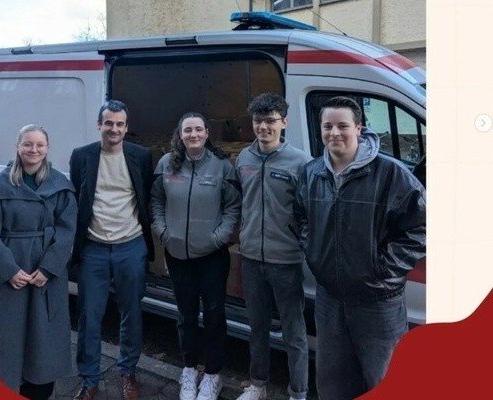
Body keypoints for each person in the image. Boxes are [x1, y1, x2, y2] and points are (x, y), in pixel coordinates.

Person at [293, 96, 426, 400]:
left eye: (342, 126)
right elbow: (300, 217)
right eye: (327, 126)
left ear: (358, 128)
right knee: (333, 383)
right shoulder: (311, 173)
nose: (334, 133)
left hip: (378, 300)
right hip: (329, 297)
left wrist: (382, 271)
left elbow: (420, 227)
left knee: (385, 380)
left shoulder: (390, 174)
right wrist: (314, 252)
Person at [0, 124, 77, 400]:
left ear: (47, 148)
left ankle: (39, 390)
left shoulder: (60, 186)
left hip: (43, 275)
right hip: (10, 273)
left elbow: (67, 231)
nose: (34, 150)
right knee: (5, 333)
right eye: (28, 144)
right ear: (18, 147)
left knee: (43, 334)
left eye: (39, 145)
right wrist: (8, 270)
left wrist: (48, 268)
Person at [150, 112, 242, 400]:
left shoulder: (222, 166)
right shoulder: (166, 163)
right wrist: (163, 232)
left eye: (198, 129)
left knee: (214, 315)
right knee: (186, 315)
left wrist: (219, 237)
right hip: (177, 253)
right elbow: (156, 200)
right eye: (188, 130)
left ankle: (213, 375)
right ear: (180, 134)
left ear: (206, 133)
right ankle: (189, 369)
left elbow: (233, 206)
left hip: (212, 255)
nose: (193, 134)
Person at [69, 100, 154, 400]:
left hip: (131, 246)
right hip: (93, 248)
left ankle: (128, 371)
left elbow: (145, 195)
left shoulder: (141, 156)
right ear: (99, 125)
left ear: (126, 128)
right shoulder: (82, 156)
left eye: (119, 124)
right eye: (108, 123)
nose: (113, 129)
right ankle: (89, 379)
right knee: (89, 316)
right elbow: (78, 196)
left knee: (131, 312)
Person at [234, 93, 312, 400]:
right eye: (258, 121)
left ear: (284, 122)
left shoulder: (301, 162)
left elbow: (308, 213)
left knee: (294, 333)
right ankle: (258, 385)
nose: (263, 127)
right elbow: (240, 202)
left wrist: (301, 244)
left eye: (270, 121)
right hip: (252, 259)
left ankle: (298, 393)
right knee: (257, 328)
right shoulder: (243, 159)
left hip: (286, 261)